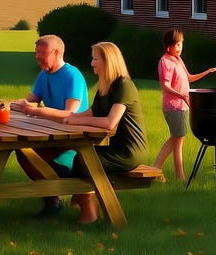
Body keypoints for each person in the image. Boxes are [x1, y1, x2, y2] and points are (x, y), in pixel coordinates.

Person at [29, 41, 148, 224]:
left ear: (107, 61)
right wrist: (69, 118)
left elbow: (110, 123)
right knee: (79, 158)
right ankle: (81, 202)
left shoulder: (124, 86)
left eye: (95, 59)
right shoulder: (104, 88)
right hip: (112, 148)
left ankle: (88, 209)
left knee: (84, 160)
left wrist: (76, 119)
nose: (92, 63)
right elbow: (88, 113)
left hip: (128, 151)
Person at [9, 34, 90, 217]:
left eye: (42, 53)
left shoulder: (72, 76)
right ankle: (52, 199)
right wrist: (2, 105)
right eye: (36, 53)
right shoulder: (44, 75)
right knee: (22, 151)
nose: (37, 57)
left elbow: (71, 114)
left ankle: (55, 197)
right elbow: (29, 102)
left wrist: (37, 111)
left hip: (73, 142)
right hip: (52, 136)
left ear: (57, 52)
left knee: (29, 152)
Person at [152, 29, 216, 181]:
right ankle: (168, 173)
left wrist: (207, 72)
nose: (180, 48)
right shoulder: (165, 62)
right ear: (168, 46)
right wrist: (181, 95)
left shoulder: (178, 60)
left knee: (177, 139)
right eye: (177, 45)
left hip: (182, 106)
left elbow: (189, 78)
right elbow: (165, 86)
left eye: (181, 44)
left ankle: (165, 172)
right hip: (173, 106)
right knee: (177, 139)